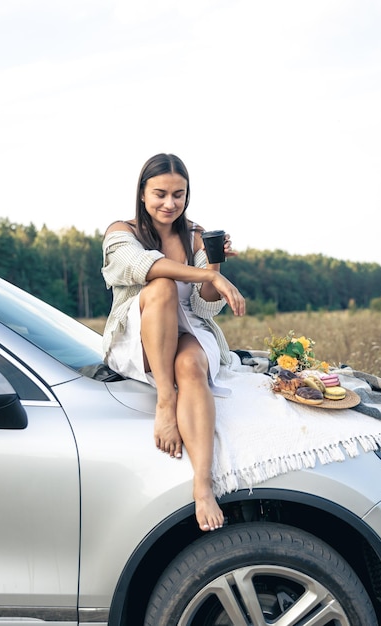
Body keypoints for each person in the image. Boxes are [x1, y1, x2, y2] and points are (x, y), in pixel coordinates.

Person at [101, 153, 245, 532]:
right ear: (143, 193)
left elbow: (203, 307)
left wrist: (213, 267)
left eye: (178, 195)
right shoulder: (121, 233)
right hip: (139, 333)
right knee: (162, 287)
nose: (170, 203)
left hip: (188, 330)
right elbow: (146, 267)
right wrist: (211, 276)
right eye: (160, 194)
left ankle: (203, 484)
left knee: (192, 366)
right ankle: (167, 400)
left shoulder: (194, 234)